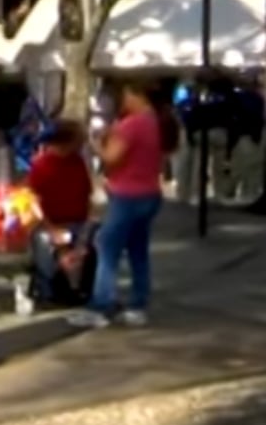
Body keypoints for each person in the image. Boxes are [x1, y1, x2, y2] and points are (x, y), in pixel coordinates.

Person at [69, 82, 175, 329]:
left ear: (135, 94)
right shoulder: (157, 121)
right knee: (138, 251)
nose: (121, 100)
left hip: (127, 195)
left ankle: (101, 305)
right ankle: (138, 304)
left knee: (107, 250)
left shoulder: (131, 125)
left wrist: (96, 144)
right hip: (149, 193)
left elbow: (111, 159)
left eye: (125, 95)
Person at [25, 120, 94, 306]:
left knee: (94, 241)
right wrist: (51, 228)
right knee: (45, 242)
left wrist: (86, 227)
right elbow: (33, 202)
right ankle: (48, 291)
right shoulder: (41, 166)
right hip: (50, 223)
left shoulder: (77, 162)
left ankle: (84, 288)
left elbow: (86, 195)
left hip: (77, 220)